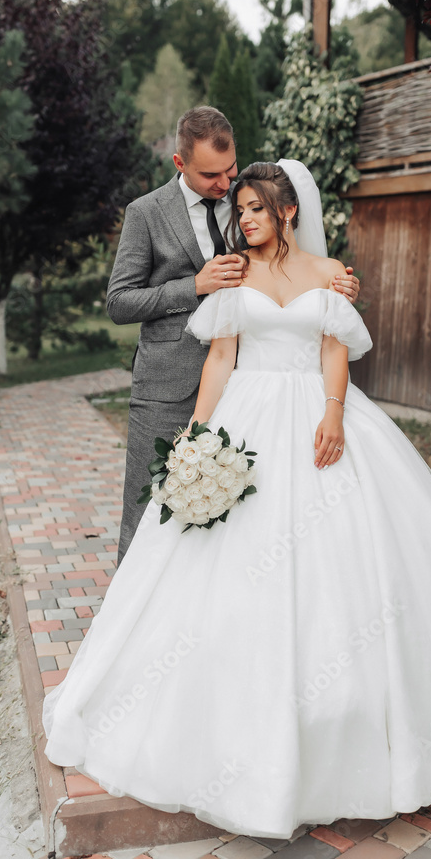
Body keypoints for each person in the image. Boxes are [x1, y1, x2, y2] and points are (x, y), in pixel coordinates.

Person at [43, 159, 431, 837]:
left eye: (256, 207)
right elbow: (221, 357)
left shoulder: (328, 273)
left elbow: (334, 349)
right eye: (239, 209)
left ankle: (366, 726)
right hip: (246, 417)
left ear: (287, 210)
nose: (244, 218)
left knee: (349, 567)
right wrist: (198, 432)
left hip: (319, 415)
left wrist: (334, 413)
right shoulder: (233, 274)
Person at [106, 106, 359, 565]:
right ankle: (133, 617)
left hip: (248, 387)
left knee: (241, 513)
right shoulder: (145, 214)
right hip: (170, 384)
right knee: (150, 509)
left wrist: (338, 289)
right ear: (180, 163)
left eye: (231, 170)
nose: (224, 185)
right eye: (211, 176)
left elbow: (295, 271)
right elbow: (119, 302)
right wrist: (194, 286)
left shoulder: (250, 200)